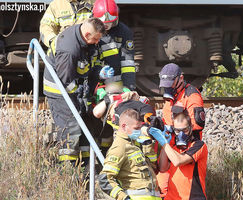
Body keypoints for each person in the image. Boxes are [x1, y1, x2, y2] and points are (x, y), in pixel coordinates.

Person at [43, 18, 106, 163]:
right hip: (61, 91)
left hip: (74, 87)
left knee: (84, 126)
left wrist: (99, 72)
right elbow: (66, 81)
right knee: (71, 128)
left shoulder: (85, 39)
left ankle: (85, 169)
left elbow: (87, 65)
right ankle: (68, 169)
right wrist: (80, 95)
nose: (97, 42)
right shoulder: (69, 50)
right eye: (96, 39)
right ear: (87, 34)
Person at [157, 62, 206, 196]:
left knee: (184, 185)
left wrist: (175, 130)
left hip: (185, 147)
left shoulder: (192, 95)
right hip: (170, 145)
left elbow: (197, 125)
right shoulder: (171, 97)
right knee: (163, 182)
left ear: (181, 79)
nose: (168, 88)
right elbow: (167, 117)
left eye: (171, 84)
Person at [98, 109, 161, 200]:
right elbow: (105, 179)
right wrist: (124, 198)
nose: (139, 131)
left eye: (140, 128)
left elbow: (154, 169)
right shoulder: (119, 147)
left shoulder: (135, 144)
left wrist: (148, 146)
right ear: (124, 126)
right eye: (136, 128)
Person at [149, 111, 208, 200]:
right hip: (171, 197)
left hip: (192, 197)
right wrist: (166, 142)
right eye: (177, 131)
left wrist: (164, 142)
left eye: (185, 130)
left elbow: (178, 161)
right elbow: (163, 168)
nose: (181, 134)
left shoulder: (198, 145)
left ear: (191, 127)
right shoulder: (173, 147)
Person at [92, 0, 136, 91]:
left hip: (114, 80)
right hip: (92, 78)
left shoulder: (124, 32)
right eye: (103, 23)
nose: (106, 25)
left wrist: (129, 87)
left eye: (109, 22)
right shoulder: (89, 29)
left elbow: (128, 63)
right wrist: (98, 72)